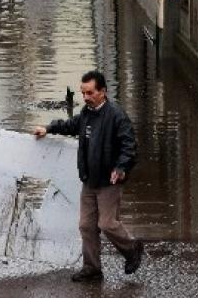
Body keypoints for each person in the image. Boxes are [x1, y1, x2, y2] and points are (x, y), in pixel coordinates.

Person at [33, 70, 144, 282]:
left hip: (109, 182)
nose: (85, 97)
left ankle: (132, 249)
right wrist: (47, 128)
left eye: (90, 93)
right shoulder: (86, 113)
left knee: (107, 224)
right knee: (86, 225)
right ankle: (92, 268)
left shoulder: (116, 116)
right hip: (89, 181)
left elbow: (129, 147)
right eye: (83, 93)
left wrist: (120, 168)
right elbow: (70, 125)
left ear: (103, 92)